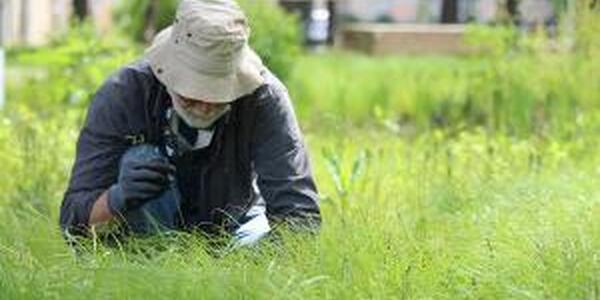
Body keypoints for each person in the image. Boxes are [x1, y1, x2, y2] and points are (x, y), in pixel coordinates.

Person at [59, 0, 321, 247]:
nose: (206, 105)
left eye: (219, 95)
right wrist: (117, 198)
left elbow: (299, 217)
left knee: (260, 243)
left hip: (239, 227)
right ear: (167, 74)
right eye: (192, 95)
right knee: (138, 157)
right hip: (142, 241)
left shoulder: (265, 98)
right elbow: (72, 220)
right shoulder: (124, 94)